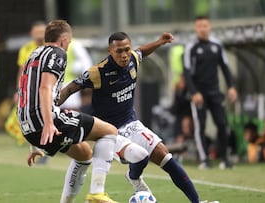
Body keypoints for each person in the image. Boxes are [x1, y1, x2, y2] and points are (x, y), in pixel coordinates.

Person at [59, 32, 213, 203]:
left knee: (165, 155)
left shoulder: (133, 58)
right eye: (119, 51)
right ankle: (132, 178)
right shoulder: (97, 72)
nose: (124, 55)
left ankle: (197, 202)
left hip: (131, 123)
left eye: (127, 49)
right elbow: (69, 89)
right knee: (140, 156)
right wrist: (49, 109)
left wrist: (160, 42)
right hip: (108, 132)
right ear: (110, 50)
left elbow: (142, 52)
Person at [17, 20, 150, 203]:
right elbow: (45, 89)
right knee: (109, 131)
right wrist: (48, 123)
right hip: (47, 121)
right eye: (69, 41)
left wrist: (34, 142)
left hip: (28, 126)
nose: (69, 44)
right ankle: (97, 192)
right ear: (64, 39)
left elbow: (26, 92)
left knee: (84, 154)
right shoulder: (57, 53)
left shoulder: (34, 54)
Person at [183, 16, 238, 169]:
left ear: (210, 27)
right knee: (200, 126)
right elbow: (187, 72)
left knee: (222, 123)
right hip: (198, 94)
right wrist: (194, 92)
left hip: (215, 92)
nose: (202, 28)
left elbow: (225, 68)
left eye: (205, 25)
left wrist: (231, 87)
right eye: (199, 26)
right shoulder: (191, 47)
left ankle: (225, 159)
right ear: (195, 28)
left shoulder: (217, 45)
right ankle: (204, 159)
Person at [5, 21, 46, 145]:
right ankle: (32, 139)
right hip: (29, 89)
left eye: (42, 32)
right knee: (25, 115)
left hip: (46, 88)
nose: (39, 35)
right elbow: (22, 71)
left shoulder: (51, 48)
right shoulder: (26, 49)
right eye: (36, 32)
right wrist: (19, 91)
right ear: (31, 33)